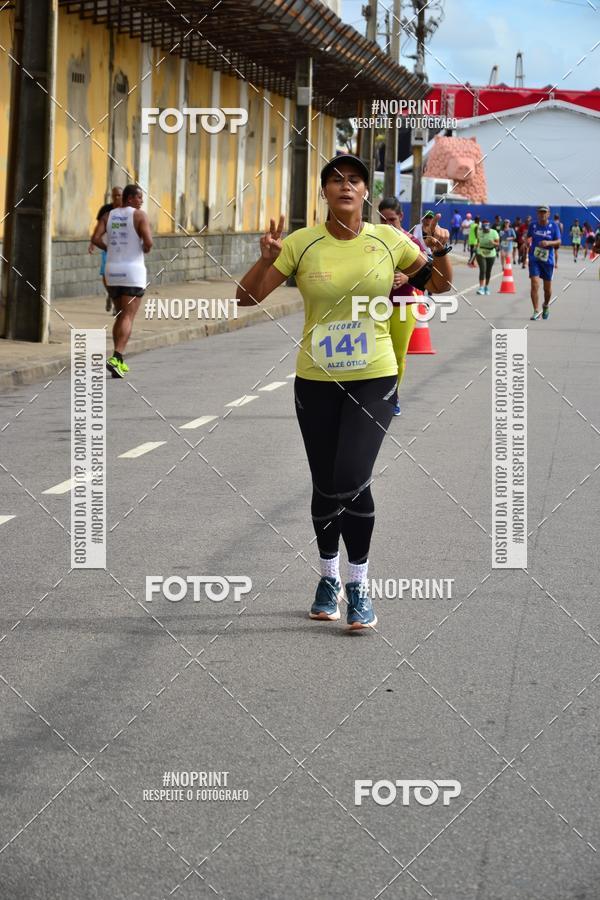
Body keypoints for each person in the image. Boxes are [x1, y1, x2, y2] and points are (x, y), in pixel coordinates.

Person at [236, 155, 452, 630]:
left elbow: (437, 286)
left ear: (364, 191)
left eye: (354, 179)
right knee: (325, 482)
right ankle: (328, 575)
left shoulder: (389, 239)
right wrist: (267, 260)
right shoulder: (301, 243)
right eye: (336, 180)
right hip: (315, 381)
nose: (346, 186)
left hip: (374, 374)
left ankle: (358, 585)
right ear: (324, 192)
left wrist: (438, 252)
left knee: (353, 476)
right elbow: (246, 298)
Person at [91, 183, 153, 377]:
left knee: (120, 315)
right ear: (130, 198)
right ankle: (117, 356)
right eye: (139, 197)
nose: (142, 201)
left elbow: (95, 238)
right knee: (128, 316)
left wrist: (109, 249)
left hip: (112, 271)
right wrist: (144, 248)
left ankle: (118, 362)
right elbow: (149, 242)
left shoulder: (108, 216)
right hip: (132, 272)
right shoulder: (139, 216)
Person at [378, 197, 428, 416]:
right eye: (382, 220)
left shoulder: (411, 242)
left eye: (391, 219)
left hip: (403, 303)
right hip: (374, 305)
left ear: (401, 217)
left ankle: (393, 396)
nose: (387, 224)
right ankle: (372, 396)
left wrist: (407, 277)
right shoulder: (371, 240)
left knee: (397, 355)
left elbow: (425, 270)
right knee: (375, 355)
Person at [88, 186, 123, 312]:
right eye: (114, 195)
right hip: (107, 247)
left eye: (119, 195)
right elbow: (98, 229)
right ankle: (110, 294)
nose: (116, 198)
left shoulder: (127, 211)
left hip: (123, 250)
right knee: (105, 275)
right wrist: (93, 242)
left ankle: (116, 302)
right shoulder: (105, 210)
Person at [527, 204, 561, 320]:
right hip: (534, 259)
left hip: (548, 260)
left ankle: (545, 305)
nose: (542, 214)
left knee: (547, 289)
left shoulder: (554, 226)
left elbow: (558, 242)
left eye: (544, 212)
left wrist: (548, 243)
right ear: (537, 213)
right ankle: (536, 310)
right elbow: (528, 237)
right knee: (534, 284)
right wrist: (527, 242)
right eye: (540, 212)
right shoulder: (533, 225)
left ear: (548, 214)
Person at [475, 219, 499, 295]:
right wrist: (475, 249)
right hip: (481, 252)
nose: (485, 230)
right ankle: (481, 287)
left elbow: (498, 243)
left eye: (487, 229)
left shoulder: (494, 232)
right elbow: (478, 242)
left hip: (491, 253)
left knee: (488, 271)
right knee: (483, 269)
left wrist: (493, 243)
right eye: (484, 229)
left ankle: (486, 287)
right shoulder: (479, 232)